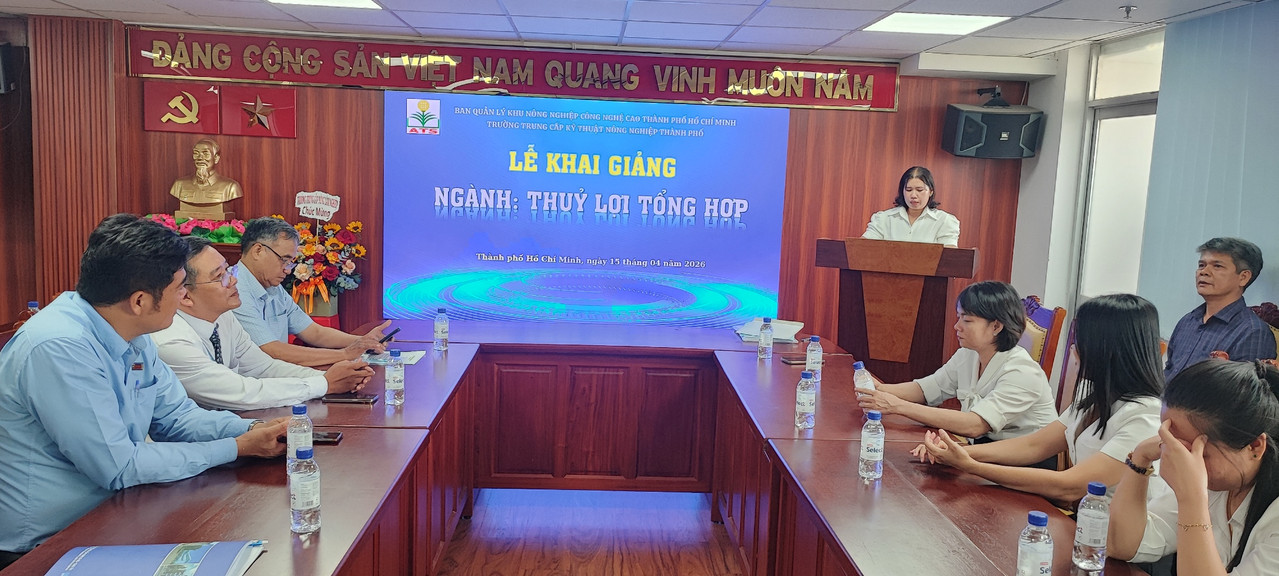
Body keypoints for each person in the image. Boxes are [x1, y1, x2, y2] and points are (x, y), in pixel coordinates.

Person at [0, 215, 288, 567]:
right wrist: (237, 447)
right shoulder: (60, 346)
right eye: (179, 288)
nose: (184, 296)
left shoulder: (131, 331)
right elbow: (119, 466)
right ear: (140, 301)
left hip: (115, 514)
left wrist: (255, 429)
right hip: (45, 547)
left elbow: (177, 418)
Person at [910, 293, 1164, 501]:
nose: (1073, 349)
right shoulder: (1094, 394)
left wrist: (970, 465)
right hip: (1088, 522)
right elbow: (1035, 445)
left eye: (1080, 340)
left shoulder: (1143, 417)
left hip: (1119, 538)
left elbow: (1070, 486)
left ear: (1106, 349)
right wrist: (957, 452)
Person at [153, 237, 375, 410]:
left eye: (228, 270)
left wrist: (332, 377)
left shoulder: (223, 316)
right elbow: (243, 392)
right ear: (185, 296)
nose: (233, 280)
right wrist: (325, 384)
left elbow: (263, 367)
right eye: (220, 276)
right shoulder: (172, 341)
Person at [1108, 360, 1279, 575]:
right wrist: (1141, 457)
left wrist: (1192, 498)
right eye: (1171, 444)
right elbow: (1122, 544)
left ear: (1255, 447)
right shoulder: (1217, 482)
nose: (1182, 461)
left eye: (1198, 452)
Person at [858, 281, 1058, 454]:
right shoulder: (969, 354)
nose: (957, 326)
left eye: (967, 320)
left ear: (996, 327)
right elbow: (929, 388)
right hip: (980, 449)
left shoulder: (1022, 371)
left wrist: (897, 406)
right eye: (959, 317)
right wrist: (878, 389)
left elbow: (975, 425)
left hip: (1023, 462)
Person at [232, 217, 391, 367]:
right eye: (284, 260)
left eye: (290, 262)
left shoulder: (271, 285)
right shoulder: (234, 289)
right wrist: (344, 354)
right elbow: (271, 350)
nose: (288, 270)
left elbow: (314, 332)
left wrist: (363, 341)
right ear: (258, 251)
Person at [1165, 237, 1275, 381]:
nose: (1204, 272)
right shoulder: (1188, 321)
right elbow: (1169, 371)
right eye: (1201, 265)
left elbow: (1245, 392)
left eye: (1217, 266)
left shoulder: (1253, 332)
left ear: (1243, 277)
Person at [862, 166, 960, 247]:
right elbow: (862, 247)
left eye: (919, 190)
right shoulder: (883, 219)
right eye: (908, 190)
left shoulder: (945, 221)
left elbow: (949, 257)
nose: (913, 195)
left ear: (930, 191)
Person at [168, 138, 243, 220]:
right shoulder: (179, 184)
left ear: (216, 158)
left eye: (206, 153)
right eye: (196, 153)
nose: (200, 158)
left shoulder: (230, 187)